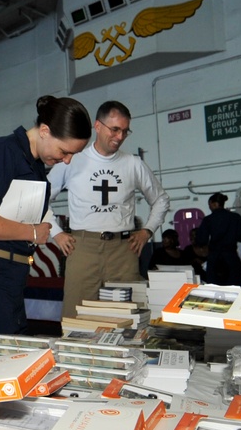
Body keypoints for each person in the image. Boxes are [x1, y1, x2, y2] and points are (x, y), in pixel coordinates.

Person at [0, 96, 92, 351]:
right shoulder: (0, 153)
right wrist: (32, 232)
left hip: (7, 279)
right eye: (65, 151)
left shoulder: (33, 166)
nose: (67, 160)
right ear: (44, 131)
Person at [48, 101, 170, 318]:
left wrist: (147, 231)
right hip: (82, 248)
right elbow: (40, 199)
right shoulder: (72, 160)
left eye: (125, 131)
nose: (120, 136)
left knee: (128, 318)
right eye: (114, 129)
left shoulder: (133, 164)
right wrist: (56, 233)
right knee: (76, 318)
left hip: (123, 251)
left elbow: (160, 199)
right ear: (97, 126)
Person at [194, 192, 241, 286]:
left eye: (209, 205)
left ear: (213, 203)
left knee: (215, 287)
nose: (209, 207)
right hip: (231, 257)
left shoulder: (208, 220)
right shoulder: (235, 217)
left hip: (215, 259)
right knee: (237, 285)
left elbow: (201, 240)